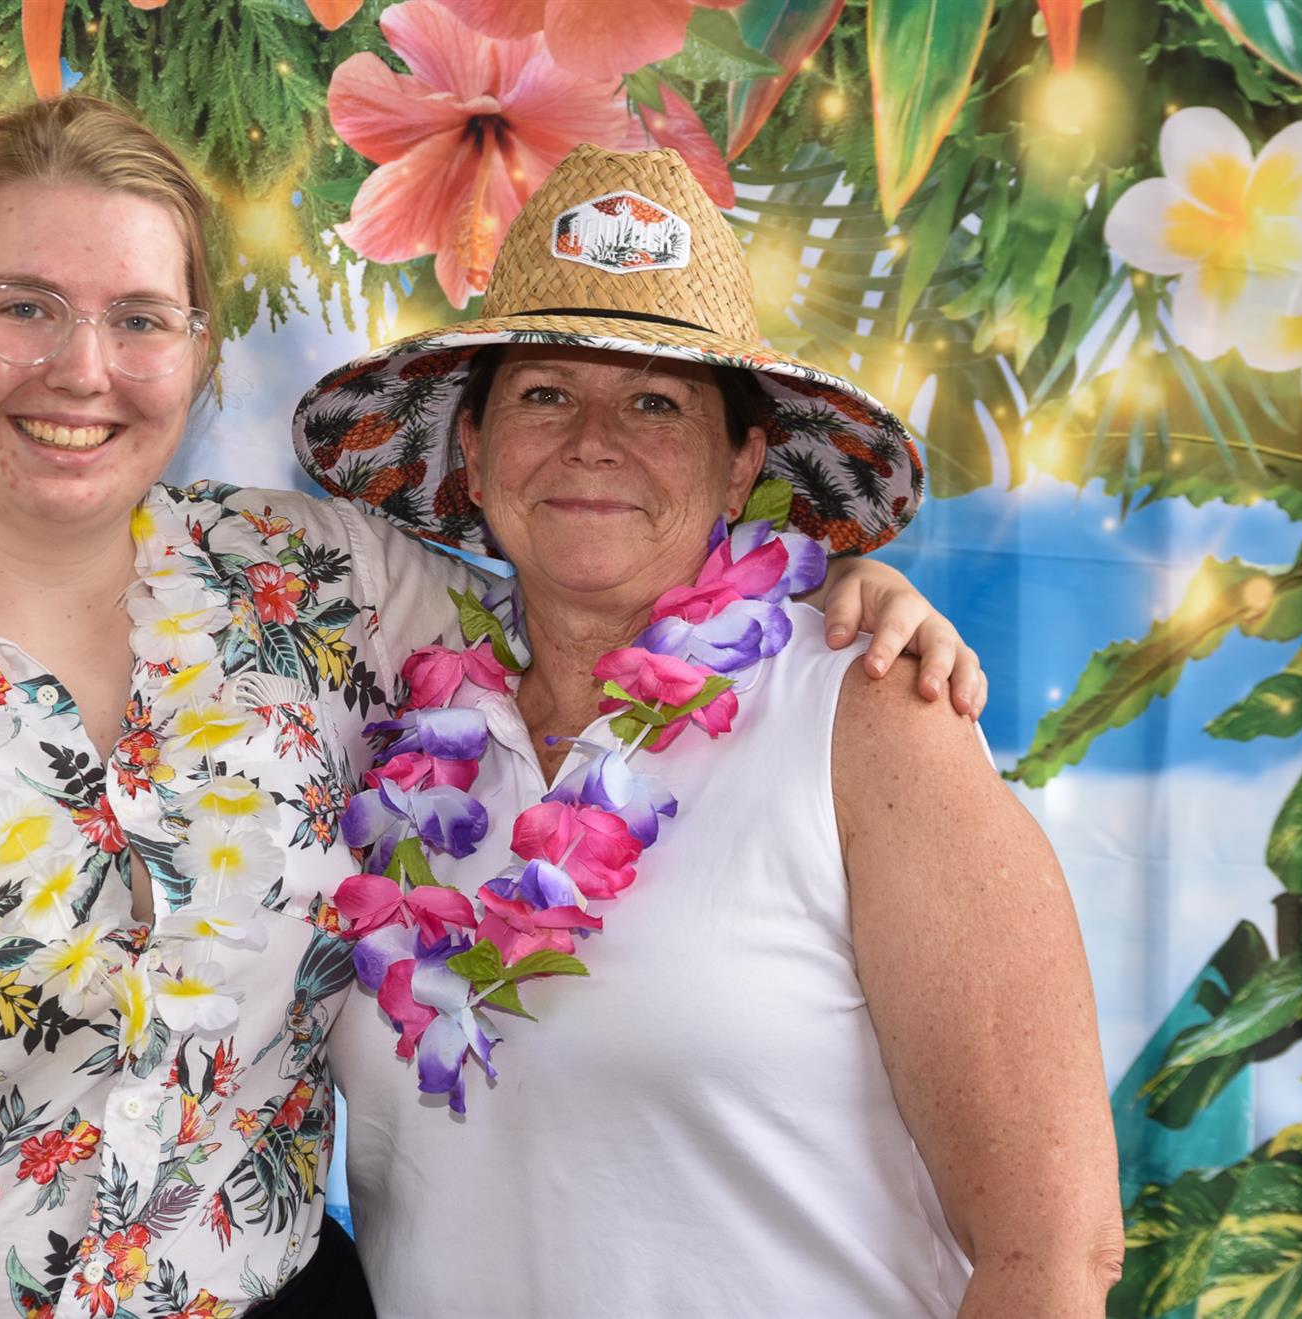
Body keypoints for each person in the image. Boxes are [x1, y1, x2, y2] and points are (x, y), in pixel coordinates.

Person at [0, 98, 983, 1319]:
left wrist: (837, 603)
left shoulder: (322, 587)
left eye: (140, 317)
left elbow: (601, 589)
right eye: (23, 306)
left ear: (200, 353)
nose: (82, 368)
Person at [295, 145, 1124, 1317]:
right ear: (472, 452)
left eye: (655, 401)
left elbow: (1053, 1253)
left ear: (741, 467)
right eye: (543, 393)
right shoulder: (387, 727)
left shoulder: (867, 715)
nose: (593, 439)